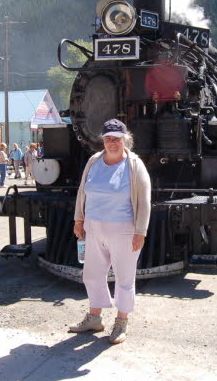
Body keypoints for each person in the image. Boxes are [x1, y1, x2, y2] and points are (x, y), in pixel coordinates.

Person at [69, 119, 151, 344]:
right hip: (94, 228)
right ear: (102, 140)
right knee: (92, 275)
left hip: (124, 230)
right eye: (108, 139)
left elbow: (144, 202)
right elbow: (82, 192)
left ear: (125, 140)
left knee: (124, 278)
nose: (112, 143)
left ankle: (121, 322)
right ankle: (95, 318)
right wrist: (79, 219)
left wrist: (140, 232)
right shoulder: (94, 161)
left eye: (116, 138)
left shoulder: (134, 165)